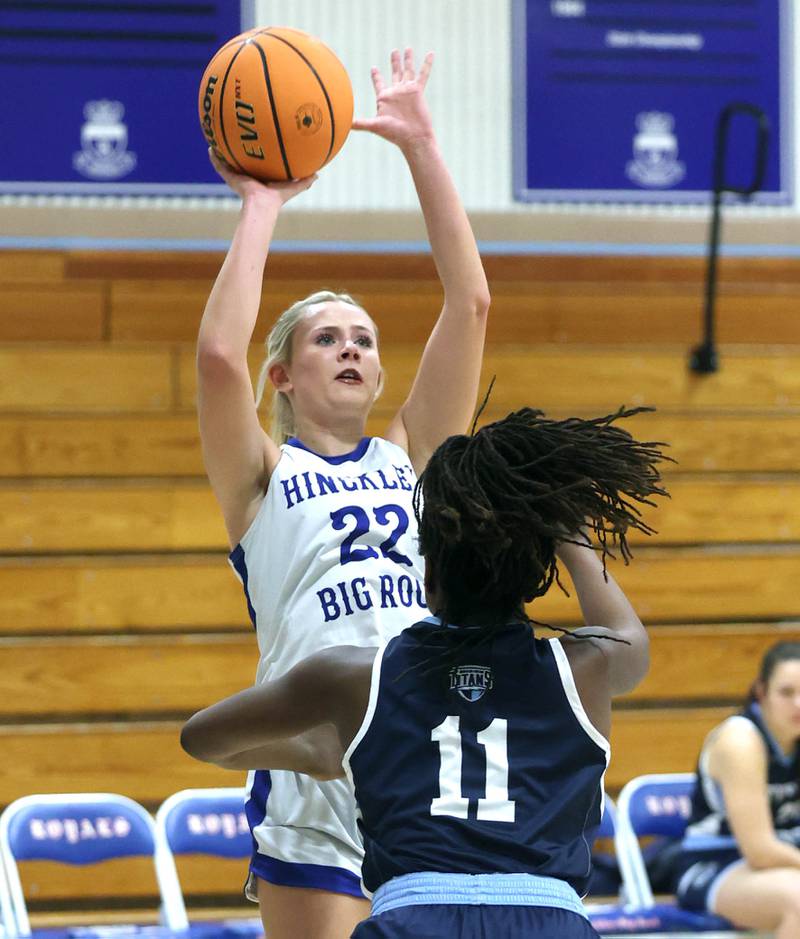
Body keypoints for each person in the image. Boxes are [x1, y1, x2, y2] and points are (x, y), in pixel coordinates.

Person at [196, 46, 490, 939]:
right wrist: (262, 202)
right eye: (329, 338)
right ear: (282, 373)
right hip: (314, 763)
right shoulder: (261, 477)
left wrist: (421, 148)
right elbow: (217, 356)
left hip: (418, 754)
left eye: (364, 336)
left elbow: (469, 302)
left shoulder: (411, 453)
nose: (355, 347)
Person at [182, 406, 669, 938]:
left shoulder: (356, 676)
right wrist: (566, 529)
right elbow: (628, 635)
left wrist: (316, 753)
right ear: (533, 579)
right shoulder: (583, 670)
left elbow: (202, 739)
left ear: (427, 576)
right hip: (548, 919)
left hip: (414, 919)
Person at [674, 640, 800, 937]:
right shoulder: (740, 741)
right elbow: (760, 851)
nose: (798, 704)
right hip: (715, 865)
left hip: (785, 865)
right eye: (787, 693)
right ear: (761, 691)